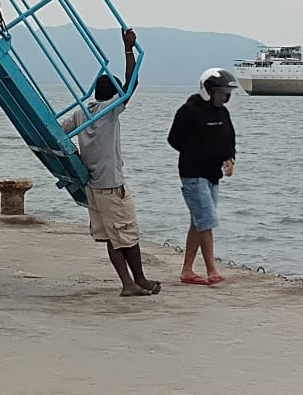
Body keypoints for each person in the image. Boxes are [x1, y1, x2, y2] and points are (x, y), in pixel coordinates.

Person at [60, 28, 159, 297]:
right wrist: (128, 49)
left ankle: (130, 282)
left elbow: (60, 131)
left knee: (112, 237)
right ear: (113, 96)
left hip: (93, 184)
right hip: (111, 184)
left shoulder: (83, 113)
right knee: (128, 234)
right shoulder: (109, 111)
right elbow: (131, 84)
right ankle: (137, 281)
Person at [168, 67, 239, 286]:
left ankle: (187, 270)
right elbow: (173, 139)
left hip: (212, 175)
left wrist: (229, 158)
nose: (224, 97)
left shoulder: (222, 113)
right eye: (221, 92)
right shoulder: (188, 111)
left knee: (198, 221)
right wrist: (195, 151)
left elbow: (229, 138)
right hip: (193, 173)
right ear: (208, 90)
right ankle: (211, 270)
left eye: (226, 93)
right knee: (206, 220)